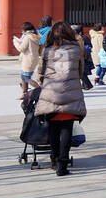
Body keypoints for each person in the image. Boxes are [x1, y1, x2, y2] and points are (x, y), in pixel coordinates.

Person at [32, 21, 87, 177]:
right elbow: (81, 70)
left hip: (51, 93)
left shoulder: (47, 51)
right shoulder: (76, 49)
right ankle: (62, 165)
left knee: (53, 130)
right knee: (66, 129)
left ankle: (54, 160)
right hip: (71, 94)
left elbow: (40, 72)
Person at [14, 21, 42, 100]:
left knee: (26, 77)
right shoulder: (36, 36)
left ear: (25, 30)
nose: (21, 31)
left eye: (22, 29)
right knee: (23, 77)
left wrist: (15, 42)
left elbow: (21, 48)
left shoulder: (27, 37)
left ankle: (40, 90)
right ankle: (24, 94)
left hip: (28, 59)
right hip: (33, 58)